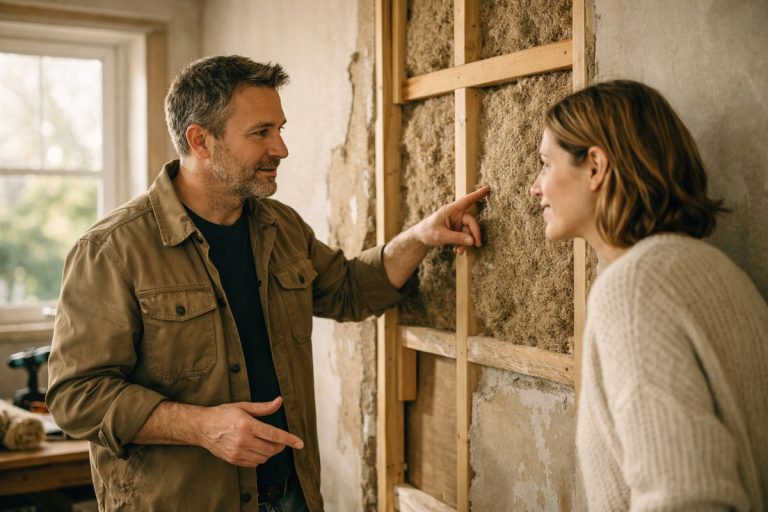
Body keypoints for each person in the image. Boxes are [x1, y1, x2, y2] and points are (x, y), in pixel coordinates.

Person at [46, 55, 490, 511]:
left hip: (291, 497)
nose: (281, 148)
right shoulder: (111, 249)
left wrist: (420, 237)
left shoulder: (281, 226)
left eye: (280, 129)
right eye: (261, 133)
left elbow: (351, 289)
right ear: (200, 140)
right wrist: (201, 426)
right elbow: (76, 397)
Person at [530, 80, 768, 510]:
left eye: (546, 164)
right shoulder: (718, 272)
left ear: (596, 166)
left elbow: (686, 499)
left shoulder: (633, 290)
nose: (536, 186)